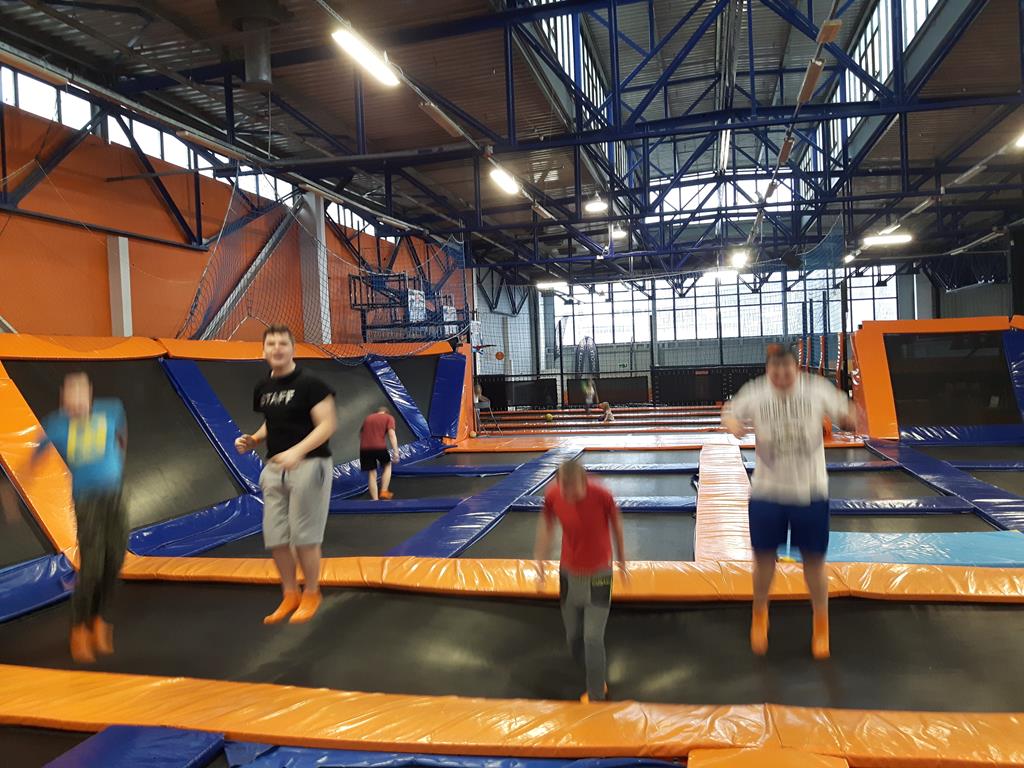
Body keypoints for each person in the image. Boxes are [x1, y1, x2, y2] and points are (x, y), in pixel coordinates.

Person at [722, 343, 856, 660]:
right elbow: (730, 411)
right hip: (767, 492)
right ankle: (759, 612)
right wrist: (733, 424)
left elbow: (845, 410)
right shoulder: (756, 391)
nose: (781, 376)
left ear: (796, 369)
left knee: (814, 562)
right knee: (763, 560)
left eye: (787, 371)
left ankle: (821, 621)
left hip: (810, 491)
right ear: (768, 370)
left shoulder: (816, 389)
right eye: (775, 371)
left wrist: (850, 416)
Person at [235, 325, 337, 625]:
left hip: (310, 465)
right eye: (271, 344)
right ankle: (290, 593)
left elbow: (327, 424)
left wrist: (297, 451)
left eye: (282, 343)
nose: (277, 348)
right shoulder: (263, 387)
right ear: (263, 350)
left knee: (305, 537)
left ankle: (312, 593)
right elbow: (273, 421)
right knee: (276, 537)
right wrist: (254, 439)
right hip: (275, 467)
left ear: (292, 349)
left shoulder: (311, 384)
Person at [30, 373, 127, 663]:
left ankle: (98, 619)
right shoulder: (56, 425)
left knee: (115, 560)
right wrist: (12, 489)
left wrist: (118, 456)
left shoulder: (111, 409)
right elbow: (33, 458)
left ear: (89, 394)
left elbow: (121, 431)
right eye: (70, 395)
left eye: (80, 394)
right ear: (64, 398)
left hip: (115, 497)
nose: (76, 402)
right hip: (87, 502)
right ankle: (79, 629)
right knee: (93, 566)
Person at [534, 460, 626, 703]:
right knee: (573, 638)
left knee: (592, 638)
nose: (569, 495)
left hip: (599, 575)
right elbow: (546, 526)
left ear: (584, 482)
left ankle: (597, 695)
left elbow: (616, 526)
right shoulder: (554, 494)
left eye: (573, 490)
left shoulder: (602, 495)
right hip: (568, 574)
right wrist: (540, 561)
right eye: (564, 489)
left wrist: (622, 561)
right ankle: (594, 671)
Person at [360, 406, 399, 500]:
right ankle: (384, 492)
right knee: (387, 465)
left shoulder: (368, 418)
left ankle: (375, 500)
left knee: (372, 473)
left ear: (377, 412)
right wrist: (396, 452)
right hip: (379, 447)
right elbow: (392, 435)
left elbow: (361, 434)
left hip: (364, 449)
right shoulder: (389, 417)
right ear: (386, 412)